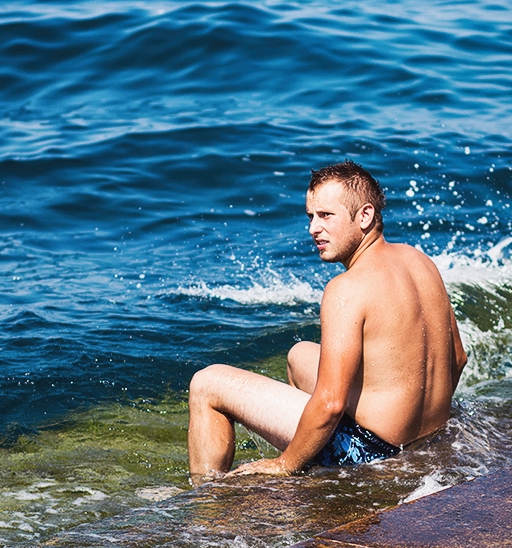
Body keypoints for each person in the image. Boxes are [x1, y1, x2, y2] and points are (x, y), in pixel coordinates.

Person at [187, 160, 467, 484]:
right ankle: (310, 457)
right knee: (299, 355)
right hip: (426, 438)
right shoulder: (420, 261)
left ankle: (207, 497)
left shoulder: (346, 289)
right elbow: (458, 358)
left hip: (368, 454)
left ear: (365, 216)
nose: (313, 229)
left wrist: (284, 464)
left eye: (326, 216)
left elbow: (331, 403)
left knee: (207, 384)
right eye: (311, 216)